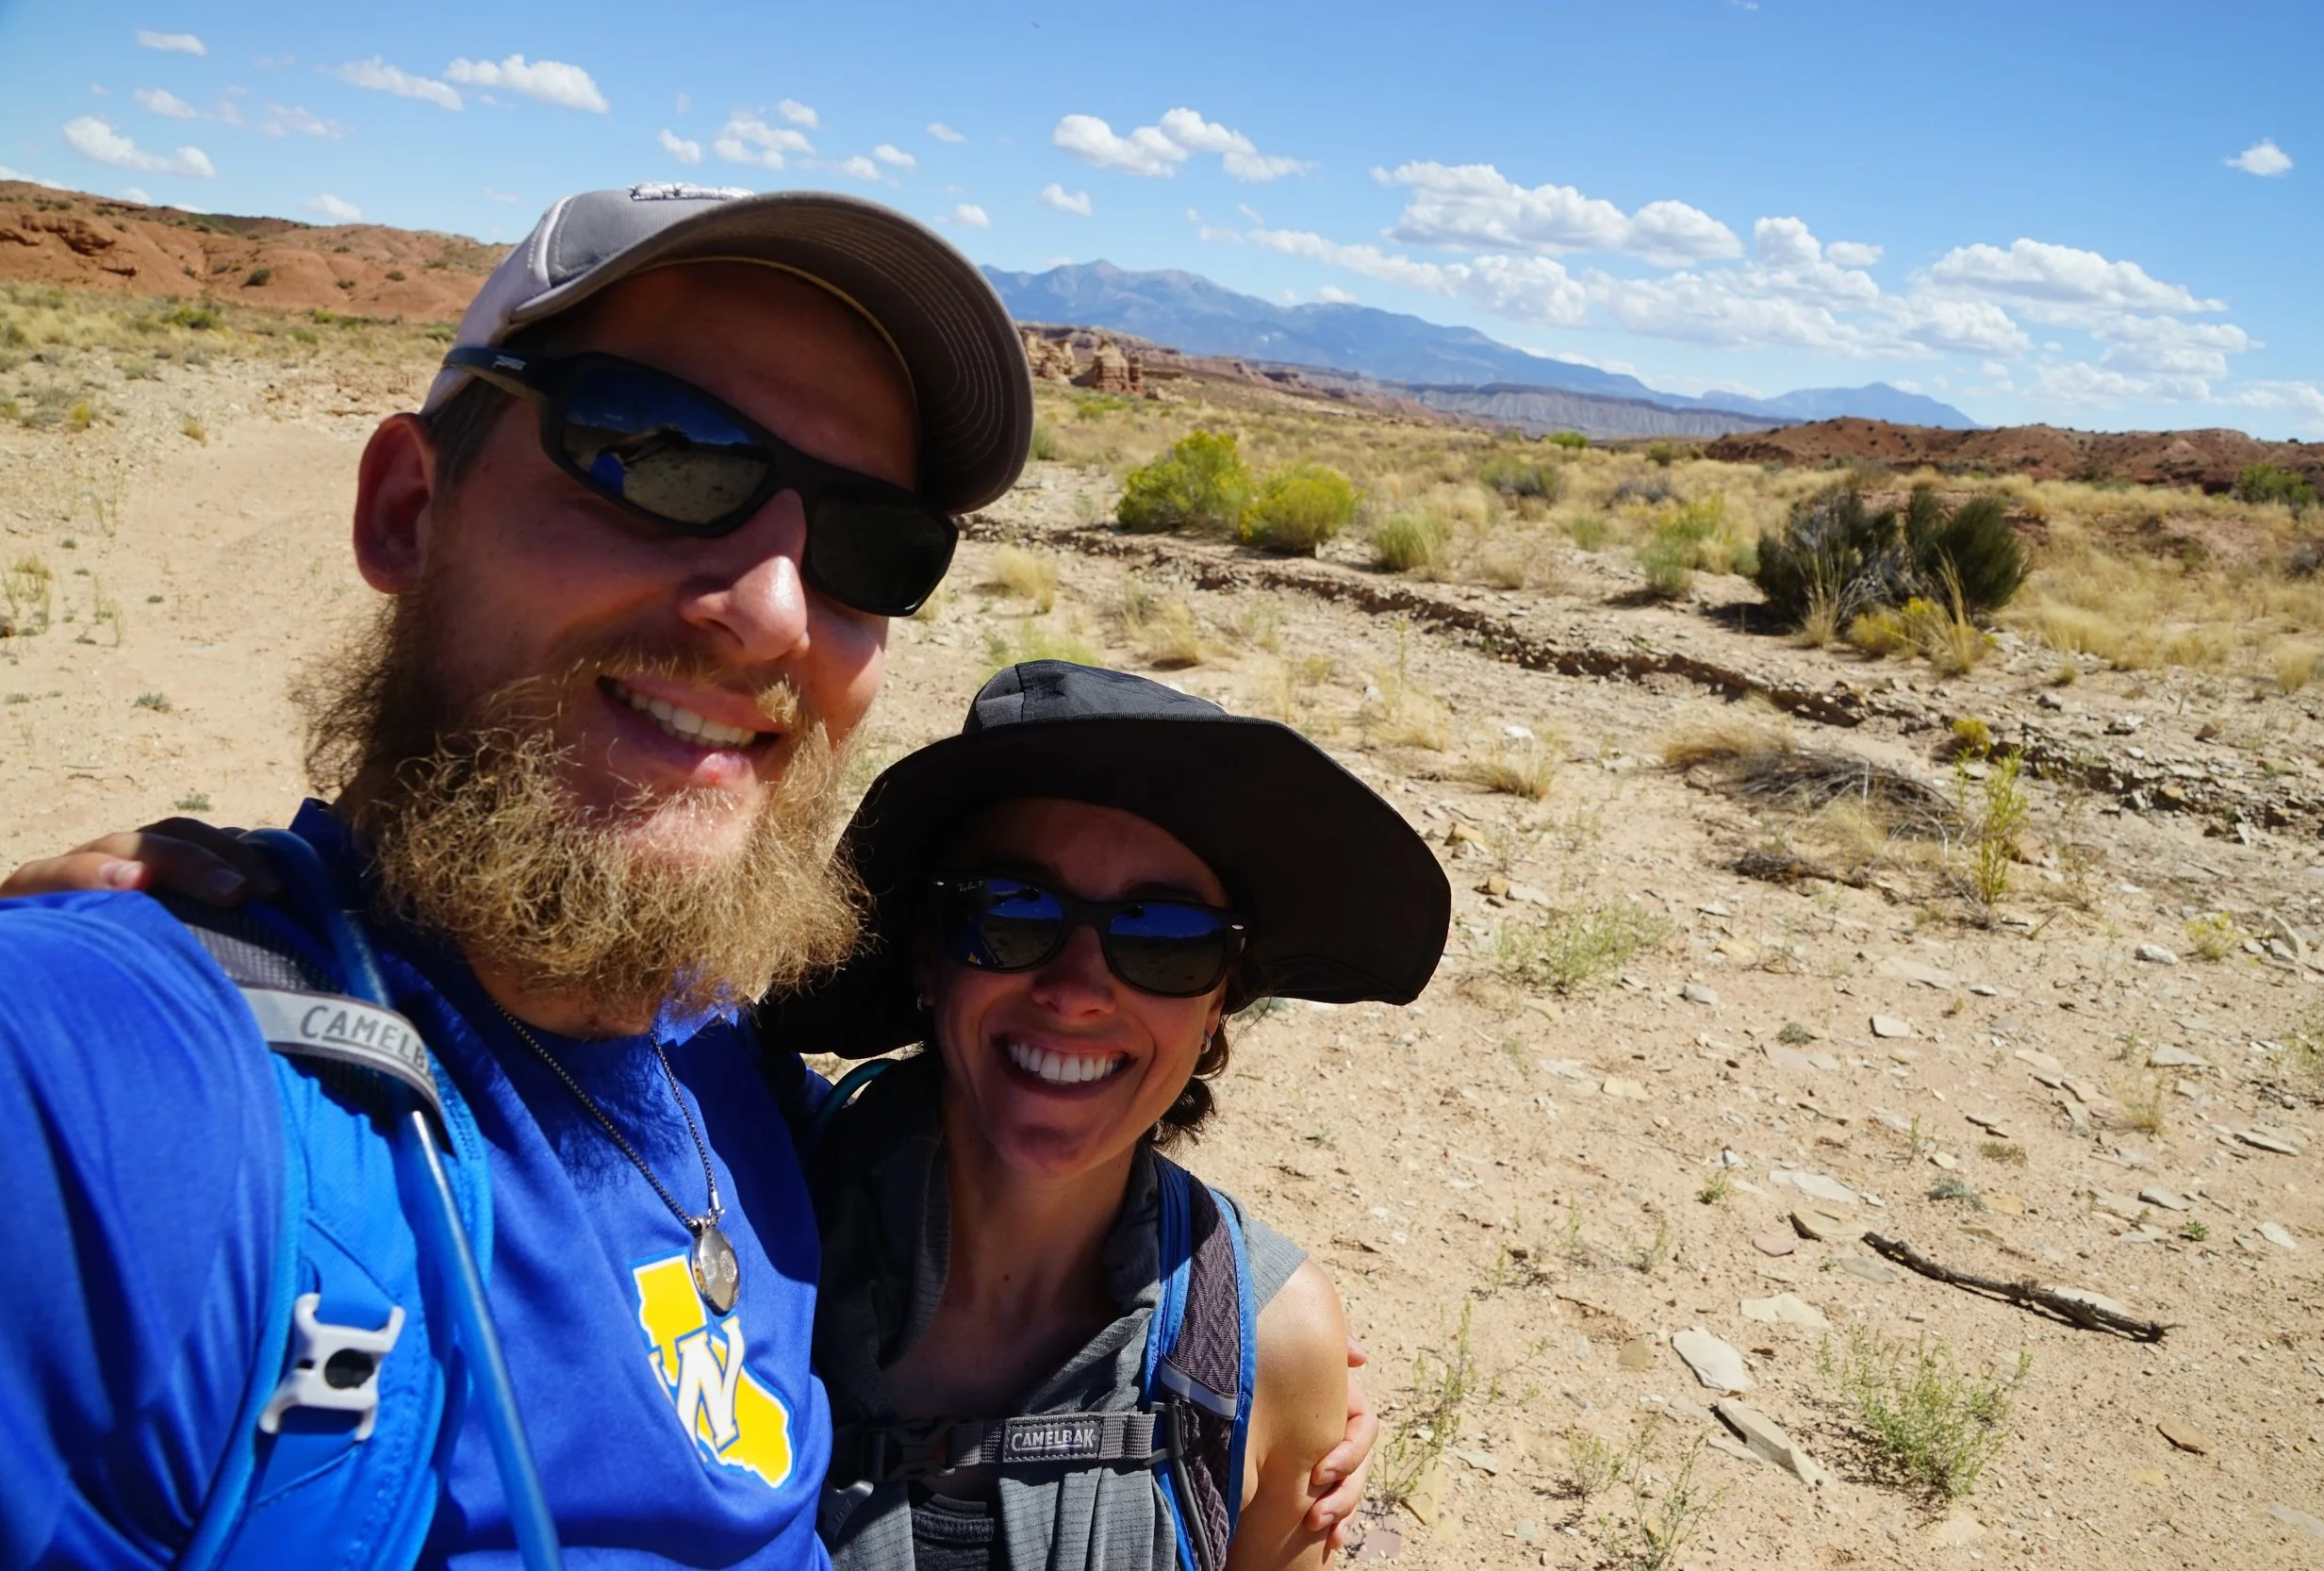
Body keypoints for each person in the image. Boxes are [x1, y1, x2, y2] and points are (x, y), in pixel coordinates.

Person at [0, 184, 1370, 1568]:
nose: (773, 609)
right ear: (409, 510)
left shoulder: (737, 1084)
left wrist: (1257, 1345)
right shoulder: (103, 1095)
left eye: (866, 542)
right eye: (663, 455)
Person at [773, 659, 1454, 1571]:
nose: (1077, 991)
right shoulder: (736, 1211)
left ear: (1219, 1002)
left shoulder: (1268, 1343)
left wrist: (1284, 1369)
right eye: (1013, 913)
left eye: (1164, 939)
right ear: (928, 958)